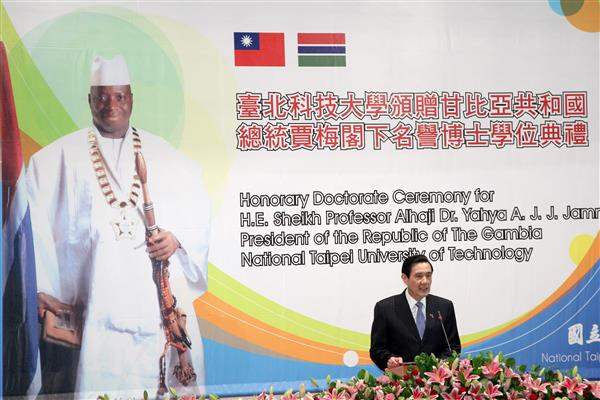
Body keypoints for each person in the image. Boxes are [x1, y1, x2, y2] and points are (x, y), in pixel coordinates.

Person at [27, 55, 210, 398]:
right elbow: (32, 219)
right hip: (97, 301)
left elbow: (197, 204)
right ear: (90, 100)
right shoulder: (59, 157)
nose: (111, 105)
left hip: (154, 301)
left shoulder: (162, 153)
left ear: (131, 99)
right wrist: (42, 287)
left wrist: (177, 239)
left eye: (119, 96)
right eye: (102, 97)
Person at [369, 255, 461, 371]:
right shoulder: (385, 308)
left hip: (437, 378)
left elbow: (453, 346)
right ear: (405, 278)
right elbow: (377, 349)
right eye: (419, 276)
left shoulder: (444, 306)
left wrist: (440, 367)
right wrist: (389, 359)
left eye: (428, 275)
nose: (425, 281)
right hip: (401, 378)